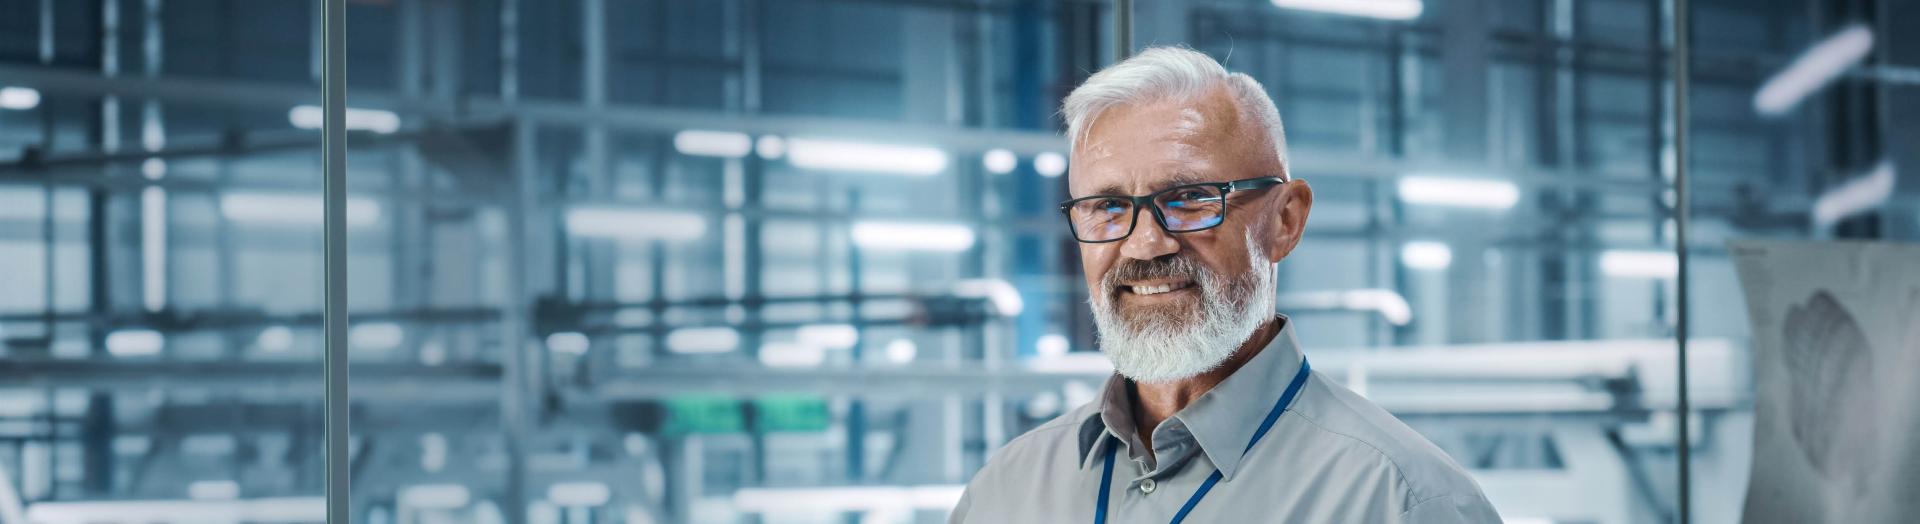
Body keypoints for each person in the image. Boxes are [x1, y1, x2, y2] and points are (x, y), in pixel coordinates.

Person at [948, 47, 1501, 523]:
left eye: (1190, 199)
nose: (1145, 244)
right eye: (1108, 206)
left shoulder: (1400, 499)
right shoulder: (1007, 490)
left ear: (1286, 220)